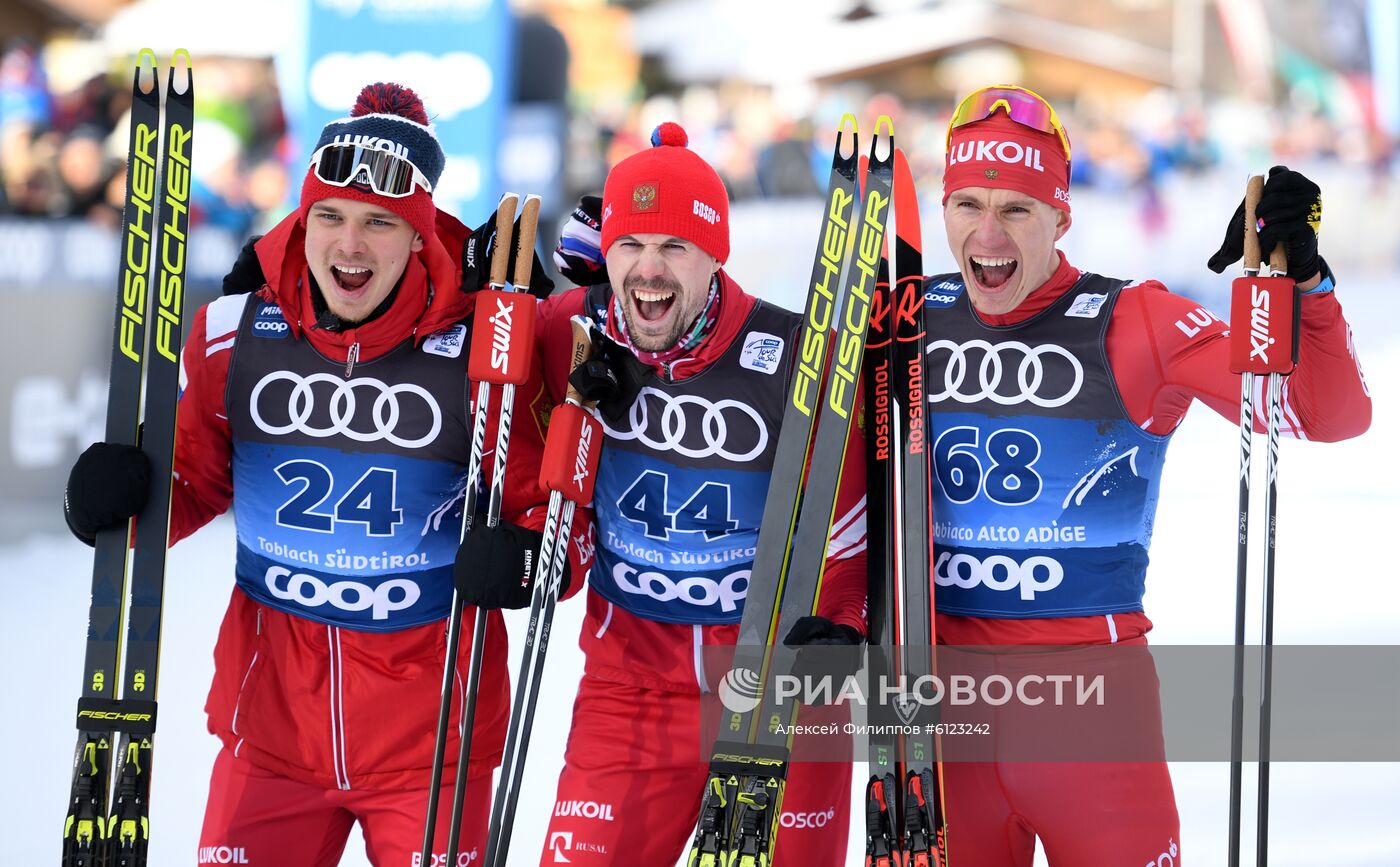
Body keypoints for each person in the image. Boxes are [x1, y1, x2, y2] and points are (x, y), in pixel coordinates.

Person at [61, 82, 582, 866]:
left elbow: (549, 511)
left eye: (380, 223)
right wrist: (118, 499)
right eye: (331, 216)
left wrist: (526, 560)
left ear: (419, 237)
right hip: (269, 731)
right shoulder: (233, 334)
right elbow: (194, 482)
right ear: (302, 220)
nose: (351, 245)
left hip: (434, 742)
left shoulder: (483, 351)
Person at [922, 84, 1372, 866]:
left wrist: (1307, 285)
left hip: (1091, 711)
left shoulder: (1137, 320)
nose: (987, 234)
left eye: (1017, 209)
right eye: (967, 204)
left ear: (1061, 216)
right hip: (941, 713)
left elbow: (1325, 414)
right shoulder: (903, 321)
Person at [530, 123, 868, 866]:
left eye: (676, 246)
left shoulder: (798, 358)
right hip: (628, 693)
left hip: (775, 694)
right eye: (630, 244)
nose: (649, 270)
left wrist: (842, 627)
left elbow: (848, 534)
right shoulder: (572, 334)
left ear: (716, 255)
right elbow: (459, 346)